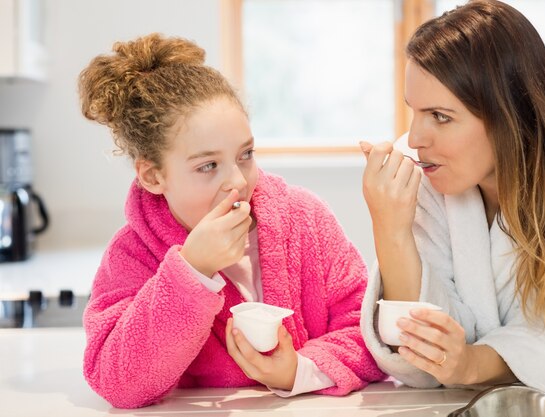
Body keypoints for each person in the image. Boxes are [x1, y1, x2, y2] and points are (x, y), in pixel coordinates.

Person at [79, 33, 383, 409]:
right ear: (153, 176)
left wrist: (298, 371)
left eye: (246, 154)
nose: (238, 182)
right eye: (208, 166)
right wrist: (193, 270)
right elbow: (118, 382)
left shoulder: (306, 220)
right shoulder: (133, 254)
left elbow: (368, 333)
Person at [359, 0, 545, 396]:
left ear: (510, 115)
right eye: (414, 112)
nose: (415, 139)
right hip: (444, 399)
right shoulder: (423, 169)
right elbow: (416, 357)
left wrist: (468, 363)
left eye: (441, 117)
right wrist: (390, 230)